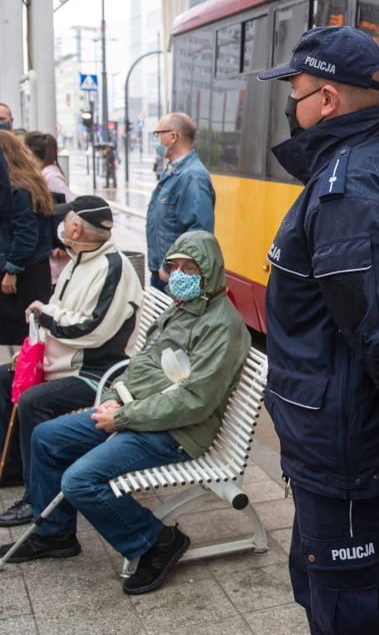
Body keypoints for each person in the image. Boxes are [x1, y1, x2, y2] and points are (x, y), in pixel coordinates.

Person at [257, 27, 379, 634]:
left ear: (328, 100)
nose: (293, 103)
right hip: (373, 447)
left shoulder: (346, 192)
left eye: (297, 89)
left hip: (349, 462)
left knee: (354, 614)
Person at [0, 231, 250, 596]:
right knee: (46, 437)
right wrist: (118, 398)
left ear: (208, 271)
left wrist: (124, 417)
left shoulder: (221, 326)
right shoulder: (181, 309)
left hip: (178, 433)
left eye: (189, 267)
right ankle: (54, 535)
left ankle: (157, 542)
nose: (177, 273)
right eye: (174, 266)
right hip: (140, 412)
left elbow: (194, 401)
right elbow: (146, 364)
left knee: (79, 480)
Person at [0, 195, 143, 524]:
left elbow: (89, 329)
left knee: (35, 400)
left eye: (66, 221)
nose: (61, 226)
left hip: (97, 371)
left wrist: (46, 317)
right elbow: (66, 311)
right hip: (68, 359)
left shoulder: (112, 267)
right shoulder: (81, 257)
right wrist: (46, 314)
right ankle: (15, 470)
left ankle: (36, 499)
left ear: (76, 229)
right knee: (5, 378)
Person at [146, 112, 215, 292]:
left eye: (158, 134)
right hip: (165, 272)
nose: (156, 140)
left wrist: (171, 267)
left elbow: (198, 232)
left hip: (175, 276)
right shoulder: (176, 171)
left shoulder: (192, 176)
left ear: (173, 136)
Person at [0, 131, 54, 356]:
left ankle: (18, 380)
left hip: (22, 272)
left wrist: (12, 268)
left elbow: (25, 233)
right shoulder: (26, 182)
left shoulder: (17, 188)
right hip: (31, 268)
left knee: (22, 333)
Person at [24, 131, 76, 285]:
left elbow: (71, 207)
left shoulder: (50, 177)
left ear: (31, 153)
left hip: (57, 258)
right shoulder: (44, 174)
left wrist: (65, 244)